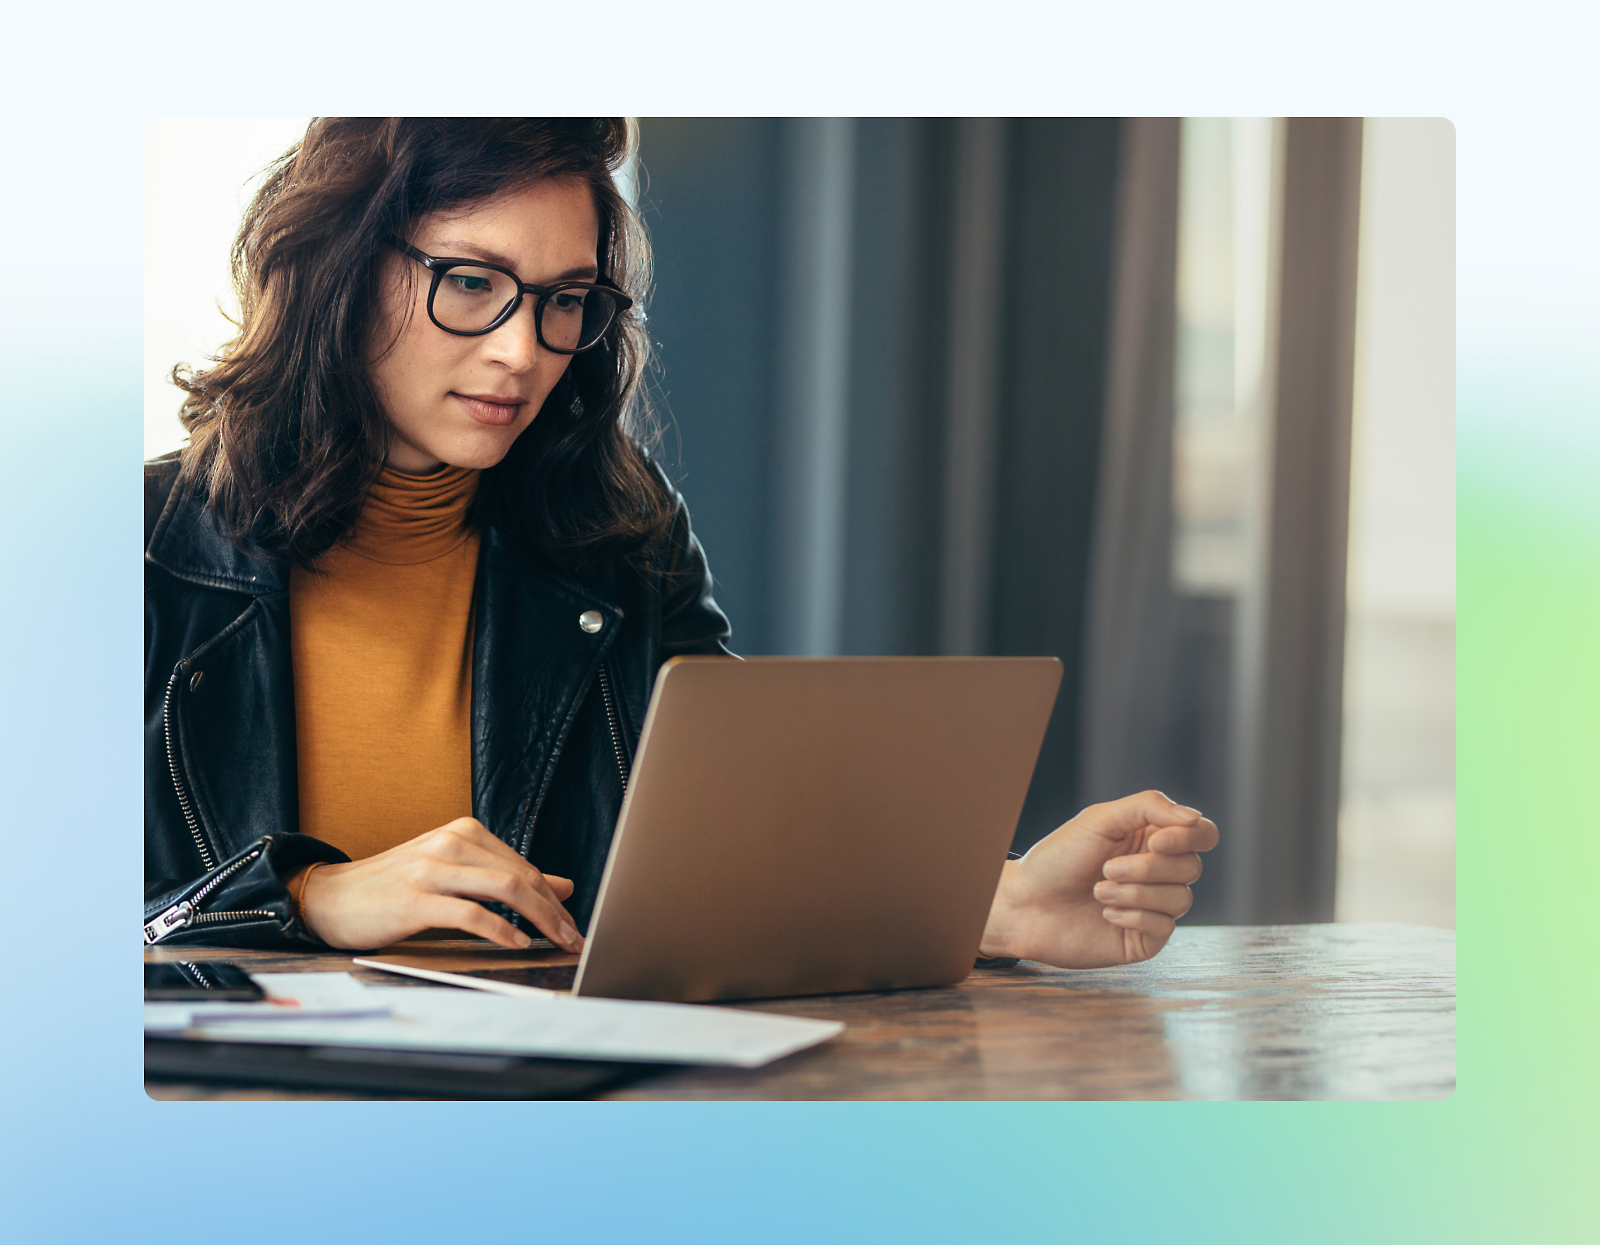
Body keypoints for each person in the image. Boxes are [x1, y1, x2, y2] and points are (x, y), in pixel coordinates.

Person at [144, 117, 1218, 972]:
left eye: (565, 300)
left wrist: (997, 899)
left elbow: (726, 853)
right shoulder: (129, 552)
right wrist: (302, 899)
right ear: (339, 269)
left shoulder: (615, 534)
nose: (522, 350)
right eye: (471, 282)